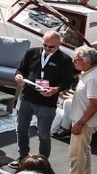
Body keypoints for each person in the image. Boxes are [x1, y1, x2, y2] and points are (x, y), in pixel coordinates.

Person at [13, 30, 74, 159]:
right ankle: (23, 157)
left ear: (59, 44)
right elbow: (21, 69)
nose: (47, 49)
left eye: (51, 47)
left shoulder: (65, 60)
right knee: (21, 130)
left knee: (43, 134)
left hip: (47, 103)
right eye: (44, 45)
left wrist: (56, 89)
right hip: (27, 97)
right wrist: (18, 76)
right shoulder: (32, 53)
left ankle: (42, 162)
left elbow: (68, 82)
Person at [64, 46, 97, 174]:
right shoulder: (90, 73)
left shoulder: (93, 78)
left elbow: (94, 104)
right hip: (84, 120)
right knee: (84, 149)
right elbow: (88, 100)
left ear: (87, 62)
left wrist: (80, 123)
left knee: (76, 152)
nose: (74, 60)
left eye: (77, 58)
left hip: (84, 122)